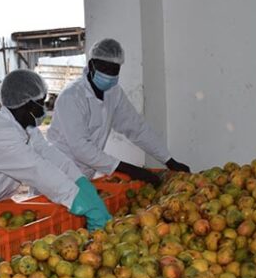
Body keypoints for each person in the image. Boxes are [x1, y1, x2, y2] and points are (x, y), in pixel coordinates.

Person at [0, 69, 112, 231]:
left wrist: (81, 183)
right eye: (41, 103)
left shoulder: (26, 130)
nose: (43, 110)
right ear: (28, 104)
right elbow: (39, 171)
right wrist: (82, 203)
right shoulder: (1, 136)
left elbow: (52, 157)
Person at [48, 38, 191, 186]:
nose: (109, 74)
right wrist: (129, 169)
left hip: (83, 177)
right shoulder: (72, 96)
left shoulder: (114, 93)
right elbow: (81, 147)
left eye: (114, 69)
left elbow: (137, 128)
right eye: (105, 68)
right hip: (58, 174)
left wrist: (169, 160)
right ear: (92, 65)